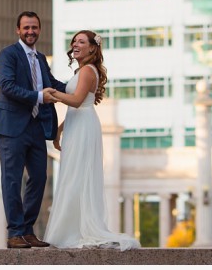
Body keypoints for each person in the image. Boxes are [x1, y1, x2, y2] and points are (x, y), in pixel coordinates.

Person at [42, 30, 140, 250]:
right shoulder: (82, 70)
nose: (75, 44)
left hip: (84, 127)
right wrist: (59, 129)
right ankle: (69, 229)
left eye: (81, 41)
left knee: (78, 176)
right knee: (73, 175)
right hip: (78, 124)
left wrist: (51, 94)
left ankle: (73, 232)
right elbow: (80, 105)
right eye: (74, 41)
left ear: (92, 48)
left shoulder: (87, 70)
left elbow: (76, 101)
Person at [0, 11, 69, 249]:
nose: (30, 31)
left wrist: (80, 89)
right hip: (11, 127)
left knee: (39, 177)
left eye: (34, 27)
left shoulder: (41, 58)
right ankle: (14, 232)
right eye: (26, 28)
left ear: (39, 30)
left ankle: (28, 230)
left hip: (35, 126)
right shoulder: (8, 55)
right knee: (12, 180)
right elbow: (8, 86)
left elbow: (51, 84)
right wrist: (38, 97)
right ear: (18, 30)